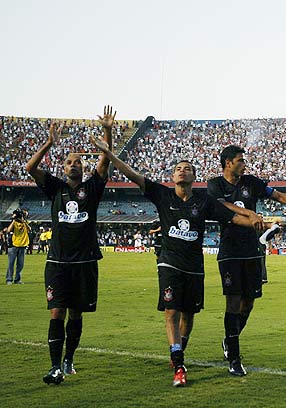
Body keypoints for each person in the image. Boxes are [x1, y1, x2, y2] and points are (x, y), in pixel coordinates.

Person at [90, 135, 265, 387]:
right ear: (173, 178)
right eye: (178, 169)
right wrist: (110, 153)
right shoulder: (162, 195)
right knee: (171, 311)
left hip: (194, 267)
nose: (183, 171)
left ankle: (178, 351)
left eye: (188, 169)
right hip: (169, 262)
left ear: (194, 177)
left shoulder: (204, 201)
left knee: (188, 315)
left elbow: (234, 218)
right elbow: (132, 174)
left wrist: (263, 222)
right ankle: (178, 361)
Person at [207, 144, 286, 376]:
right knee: (233, 301)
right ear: (228, 163)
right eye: (240, 160)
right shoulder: (215, 184)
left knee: (248, 302)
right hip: (230, 252)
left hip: (253, 249)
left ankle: (230, 339)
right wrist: (251, 214)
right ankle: (235, 359)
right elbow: (222, 206)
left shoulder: (251, 182)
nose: (244, 164)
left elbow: (277, 195)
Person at [26, 106, 115, 385]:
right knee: (57, 311)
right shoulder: (56, 188)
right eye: (68, 162)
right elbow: (30, 168)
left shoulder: (92, 188)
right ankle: (54, 367)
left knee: (76, 313)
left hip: (85, 261)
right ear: (63, 168)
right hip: (58, 262)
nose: (73, 164)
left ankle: (69, 358)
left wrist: (108, 131)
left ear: (83, 167)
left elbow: (105, 161)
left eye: (77, 161)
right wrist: (49, 143)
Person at [5, 208, 30, 284]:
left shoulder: (25, 223)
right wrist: (14, 220)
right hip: (13, 246)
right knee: (11, 264)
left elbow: (29, 229)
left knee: (20, 264)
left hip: (22, 245)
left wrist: (23, 221)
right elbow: (8, 230)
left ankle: (17, 279)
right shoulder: (14, 223)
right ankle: (9, 279)